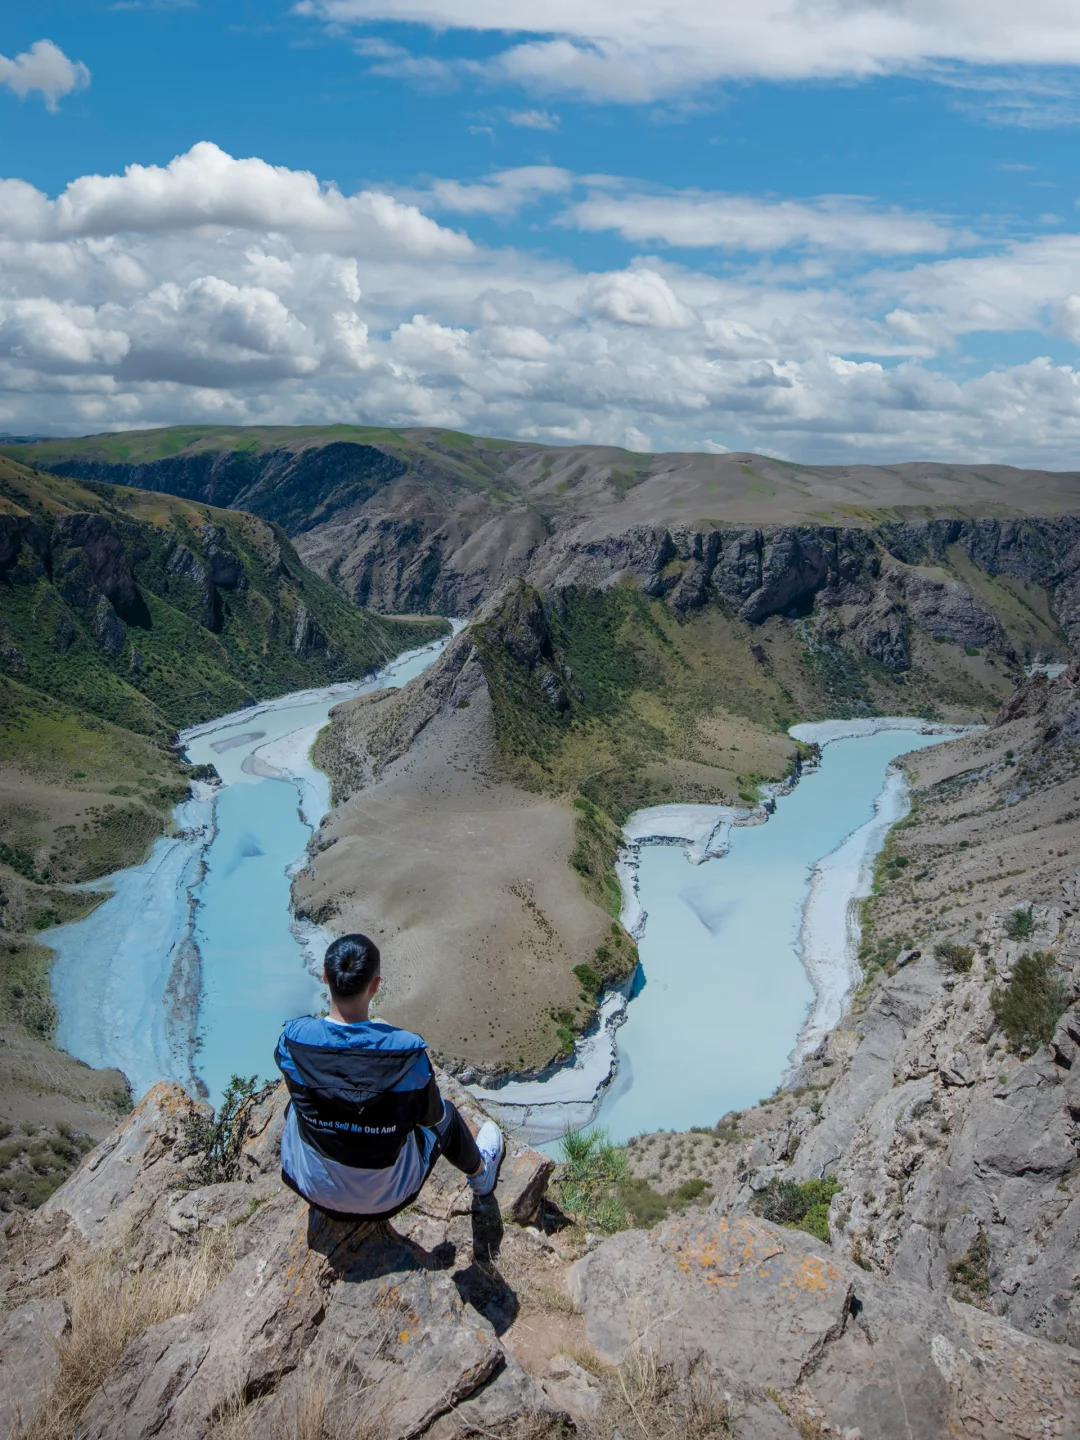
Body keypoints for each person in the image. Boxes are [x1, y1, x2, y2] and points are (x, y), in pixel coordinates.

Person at [275, 932, 504, 1220]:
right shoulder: (407, 1055)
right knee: (447, 1117)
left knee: (294, 1106)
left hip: (312, 1186)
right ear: (375, 986)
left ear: (324, 976)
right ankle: (481, 1176)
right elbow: (430, 1119)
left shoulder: (293, 1042)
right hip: (385, 1197)